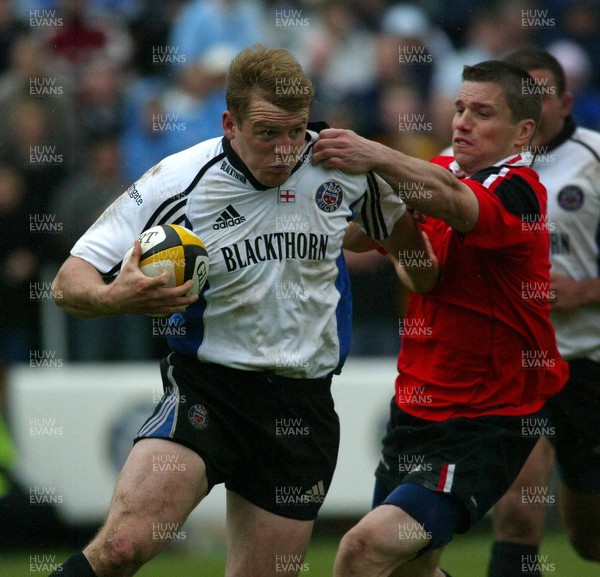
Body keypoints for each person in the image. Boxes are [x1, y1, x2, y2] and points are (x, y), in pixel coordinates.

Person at [47, 45, 436, 577]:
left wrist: (405, 250)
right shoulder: (178, 180)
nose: (285, 150)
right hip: (210, 392)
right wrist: (117, 297)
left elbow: (418, 264)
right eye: (267, 132)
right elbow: (69, 282)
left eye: (296, 131)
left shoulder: (343, 169)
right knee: (121, 548)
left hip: (302, 408)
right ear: (230, 123)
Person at [311, 60, 569, 577]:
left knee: (362, 551)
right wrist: (350, 187)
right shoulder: (441, 169)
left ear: (522, 131)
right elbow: (369, 239)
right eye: (459, 108)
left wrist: (372, 154)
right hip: (416, 406)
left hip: (485, 419)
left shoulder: (519, 191)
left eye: (482, 112)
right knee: (408, 572)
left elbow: (451, 204)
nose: (462, 122)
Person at [487, 48, 600, 577]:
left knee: (587, 537)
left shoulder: (594, 158)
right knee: (515, 513)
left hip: (586, 362)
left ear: (566, 100)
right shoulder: (472, 161)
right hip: (516, 364)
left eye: (541, 91)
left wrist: (587, 291)